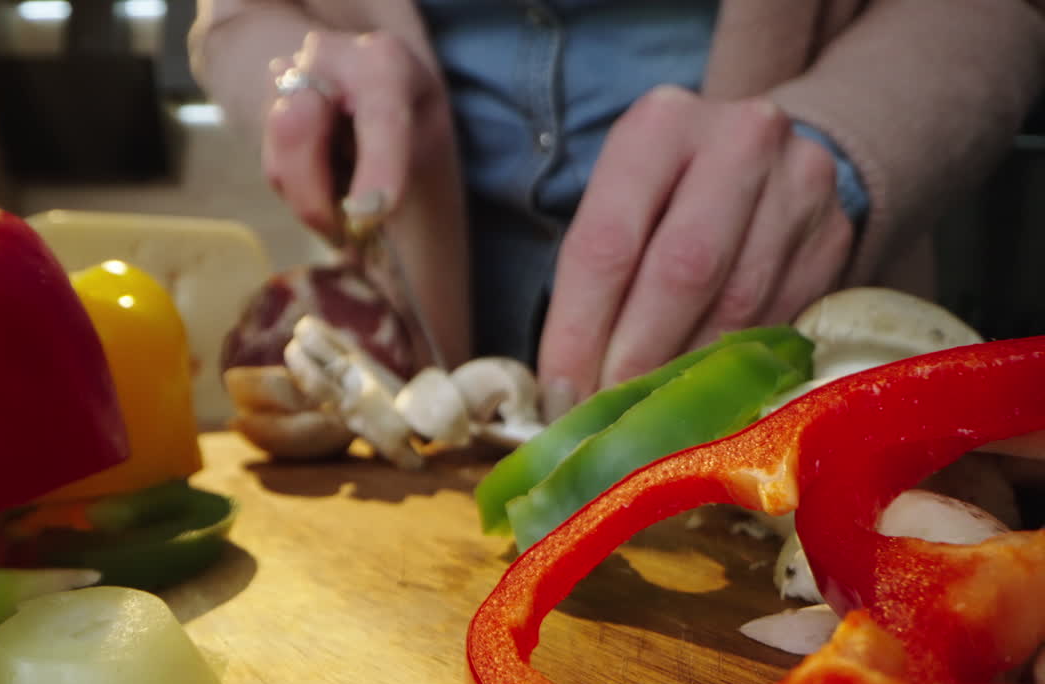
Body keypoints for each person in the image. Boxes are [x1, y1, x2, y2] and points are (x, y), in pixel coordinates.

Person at [190, 1, 1045, 419]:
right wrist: (294, 76)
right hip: (417, 369)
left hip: (807, 376)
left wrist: (842, 142)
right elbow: (233, 12)